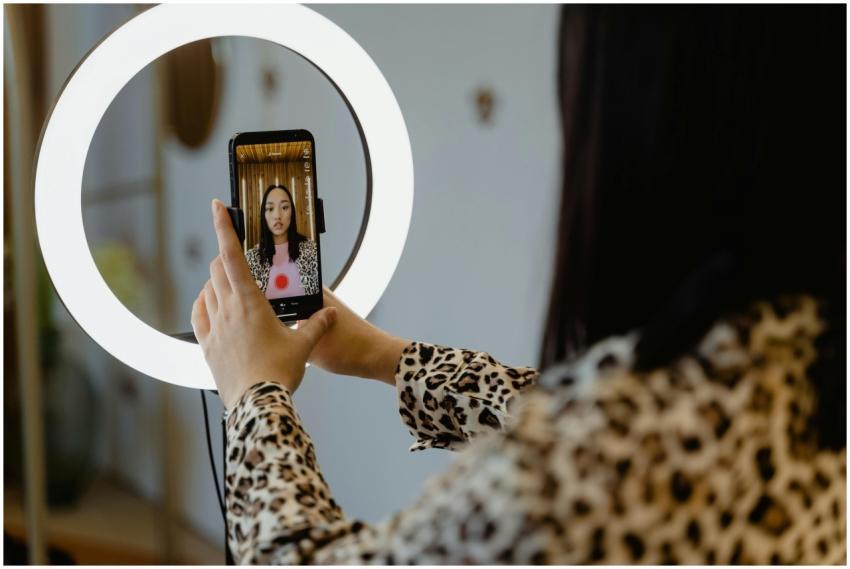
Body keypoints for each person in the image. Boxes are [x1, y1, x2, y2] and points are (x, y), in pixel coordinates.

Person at [191, 5, 845, 565]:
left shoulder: (593, 465)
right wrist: (384, 356)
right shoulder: (799, 352)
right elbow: (557, 405)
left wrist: (254, 393)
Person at [244, 184, 319, 298]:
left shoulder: (312, 250)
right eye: (270, 209)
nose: (277, 216)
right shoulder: (251, 258)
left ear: (292, 212)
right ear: (263, 215)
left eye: (284, 207)